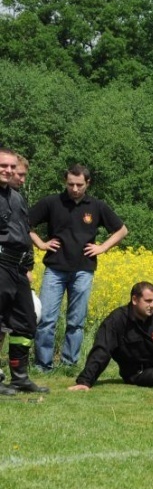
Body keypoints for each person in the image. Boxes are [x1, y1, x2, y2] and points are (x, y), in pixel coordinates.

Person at [28, 164, 129, 371]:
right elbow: (24, 223)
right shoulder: (52, 202)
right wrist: (40, 244)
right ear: (65, 182)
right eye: (70, 184)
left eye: (79, 185)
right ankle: (43, 365)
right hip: (55, 269)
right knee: (46, 319)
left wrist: (102, 247)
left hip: (83, 270)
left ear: (88, 183)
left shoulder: (97, 206)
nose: (74, 189)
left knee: (76, 321)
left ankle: (69, 364)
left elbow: (122, 230)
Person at [67, 282, 153, 393]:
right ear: (134, 300)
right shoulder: (117, 320)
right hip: (140, 372)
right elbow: (102, 350)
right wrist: (85, 381)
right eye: (148, 301)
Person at [0, 148, 49, 395]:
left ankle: (19, 377)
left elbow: (24, 233)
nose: (9, 170)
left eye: (12, 166)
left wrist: (28, 265)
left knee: (26, 320)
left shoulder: (17, 197)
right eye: (3, 166)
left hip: (18, 268)